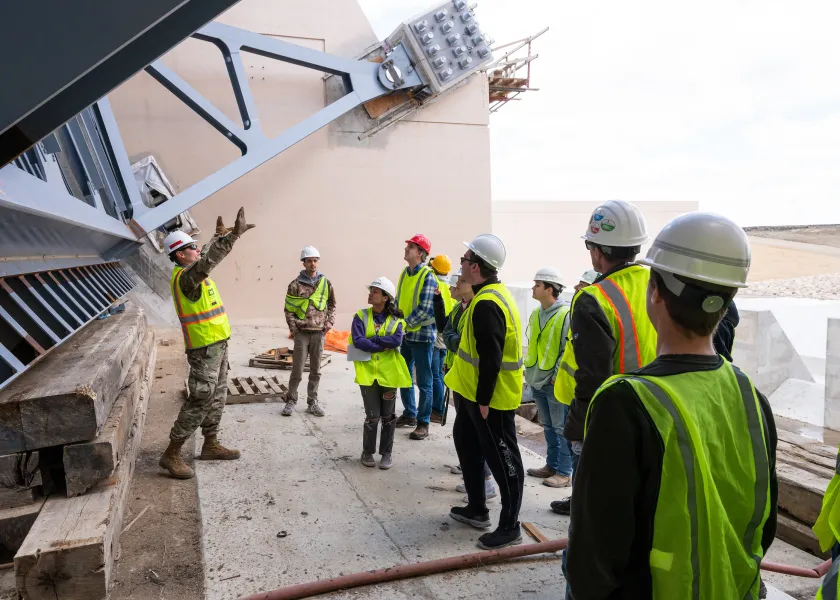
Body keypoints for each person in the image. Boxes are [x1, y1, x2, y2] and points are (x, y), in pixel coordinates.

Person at [566, 212, 778, 599]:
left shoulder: (623, 405)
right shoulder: (752, 399)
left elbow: (592, 561)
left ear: (655, 292)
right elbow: (764, 524)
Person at [551, 200, 657, 516]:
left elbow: (592, 376)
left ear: (597, 250)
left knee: (593, 512)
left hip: (610, 419)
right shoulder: (658, 283)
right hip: (657, 410)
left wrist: (578, 429)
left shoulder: (594, 298)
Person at [158, 208, 255, 480]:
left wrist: (216, 237)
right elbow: (207, 262)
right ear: (179, 255)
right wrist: (232, 237)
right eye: (191, 247)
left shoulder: (192, 272)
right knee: (200, 398)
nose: (196, 249)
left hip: (218, 345)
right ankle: (172, 453)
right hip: (204, 350)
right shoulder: (187, 278)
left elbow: (204, 257)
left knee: (217, 395)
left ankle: (210, 444)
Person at [445, 234, 524, 550]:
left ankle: (510, 526)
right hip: (470, 392)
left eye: (464, 260)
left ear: (475, 267)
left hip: (490, 399)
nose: (460, 264)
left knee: (503, 459)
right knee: (466, 443)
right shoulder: (484, 295)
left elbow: (491, 358)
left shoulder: (487, 304)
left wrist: (484, 401)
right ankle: (477, 508)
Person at [434, 269, 497, 501]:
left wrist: (451, 341)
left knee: (476, 434)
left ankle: (486, 481)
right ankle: (472, 471)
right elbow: (447, 329)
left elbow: (459, 340)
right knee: (467, 434)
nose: (455, 286)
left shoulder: (475, 309)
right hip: (459, 374)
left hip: (470, 380)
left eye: (460, 282)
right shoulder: (458, 309)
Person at [348, 277, 411, 471]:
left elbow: (396, 341)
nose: (371, 293)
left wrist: (373, 340)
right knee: (372, 416)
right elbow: (358, 341)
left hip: (389, 375)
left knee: (388, 416)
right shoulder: (360, 315)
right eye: (372, 290)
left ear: (386, 297)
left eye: (375, 291)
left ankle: (386, 454)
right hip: (368, 374)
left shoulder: (396, 320)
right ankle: (367, 452)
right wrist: (380, 343)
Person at [524, 267, 573, 488]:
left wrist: (555, 377)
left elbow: (567, 349)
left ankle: (564, 471)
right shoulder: (536, 313)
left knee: (561, 427)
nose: (533, 288)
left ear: (549, 289)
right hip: (536, 377)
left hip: (552, 381)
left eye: (537, 284)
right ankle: (551, 465)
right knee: (548, 426)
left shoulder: (565, 314)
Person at [282, 246, 336, 417]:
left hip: (319, 333)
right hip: (302, 334)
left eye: (315, 260)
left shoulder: (325, 283)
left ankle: (312, 402)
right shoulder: (295, 285)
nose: (313, 264)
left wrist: (329, 323)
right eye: (309, 261)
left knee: (316, 371)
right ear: (303, 263)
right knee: (297, 370)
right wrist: (294, 330)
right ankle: (291, 400)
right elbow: (288, 309)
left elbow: (332, 304)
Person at [396, 234, 438, 440]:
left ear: (420, 253)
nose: (406, 249)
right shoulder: (405, 273)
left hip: (422, 336)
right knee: (403, 376)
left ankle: (423, 423)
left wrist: (403, 324)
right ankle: (409, 414)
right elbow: (398, 301)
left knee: (424, 381)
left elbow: (426, 309)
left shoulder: (428, 276)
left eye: (411, 247)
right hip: (405, 335)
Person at [430, 254, 456, 424]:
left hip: (437, 333)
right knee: (438, 373)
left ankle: (438, 409)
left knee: (435, 374)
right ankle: (438, 408)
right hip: (446, 333)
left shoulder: (435, 284)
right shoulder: (450, 286)